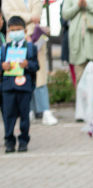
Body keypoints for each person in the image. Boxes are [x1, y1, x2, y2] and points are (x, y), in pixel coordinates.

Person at [1, 0, 56, 126]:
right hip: (15, 40)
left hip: (35, 38)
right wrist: (30, 17)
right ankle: (28, 111)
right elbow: (10, 15)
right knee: (20, 76)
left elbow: (38, 14)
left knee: (39, 75)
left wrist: (27, 18)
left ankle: (45, 111)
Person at [1, 16, 37, 152]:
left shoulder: (30, 48)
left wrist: (27, 64)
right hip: (8, 87)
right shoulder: (5, 48)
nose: (15, 33)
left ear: (25, 30)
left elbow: (35, 66)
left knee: (24, 115)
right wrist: (2, 66)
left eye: (18, 30)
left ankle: (23, 140)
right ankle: (9, 141)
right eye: (12, 30)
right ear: (8, 32)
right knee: (8, 116)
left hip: (24, 87)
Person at [62, 0, 93, 100]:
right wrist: (78, 6)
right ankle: (82, 111)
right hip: (77, 42)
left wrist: (87, 5)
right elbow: (65, 14)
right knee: (80, 78)